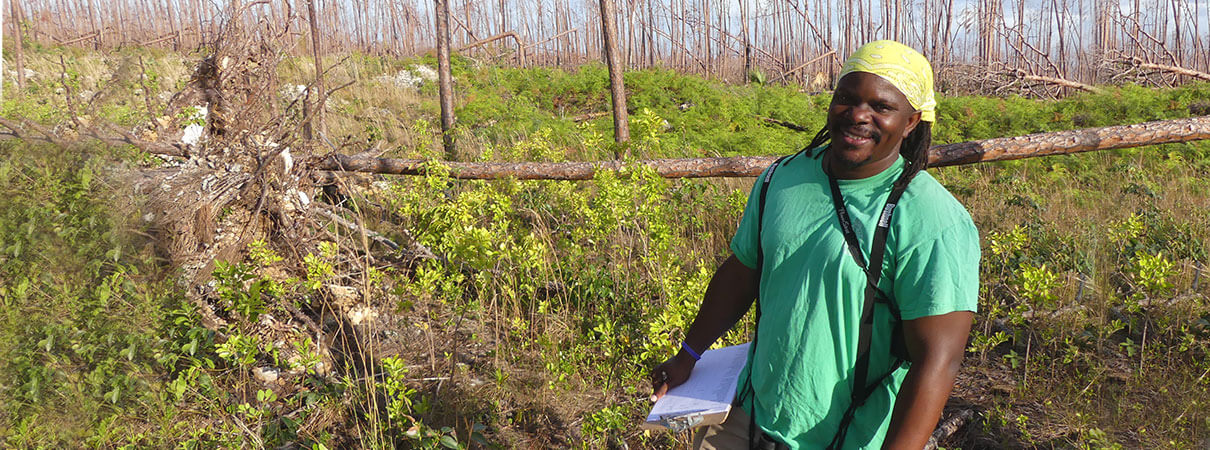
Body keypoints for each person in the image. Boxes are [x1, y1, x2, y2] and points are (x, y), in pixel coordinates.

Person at [649, 40, 980, 449]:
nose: (858, 115)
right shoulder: (782, 179)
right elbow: (742, 272)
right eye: (847, 98)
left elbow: (938, 360)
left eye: (881, 106)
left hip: (847, 436)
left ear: (911, 121)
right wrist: (688, 354)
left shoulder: (931, 218)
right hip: (746, 420)